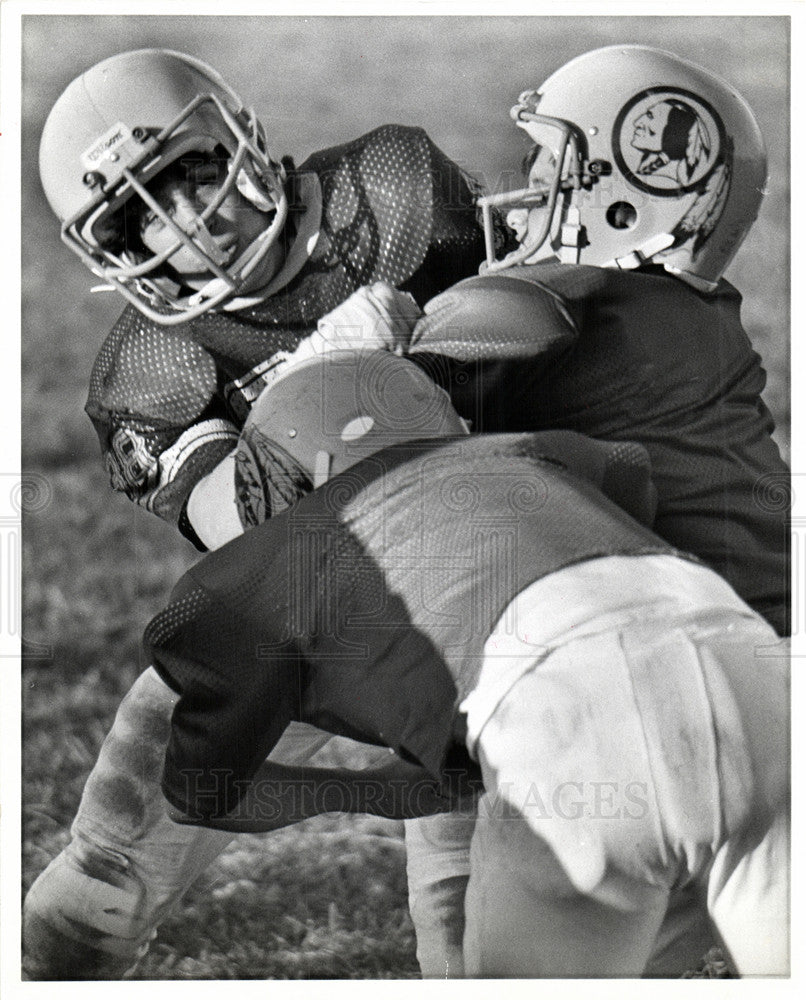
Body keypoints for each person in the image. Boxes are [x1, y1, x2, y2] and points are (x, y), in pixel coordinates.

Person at [23, 47, 495, 979]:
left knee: (479, 922)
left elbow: (546, 332)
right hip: (304, 599)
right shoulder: (151, 366)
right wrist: (335, 372)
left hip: (481, 568)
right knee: (98, 884)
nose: (183, 228)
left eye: (189, 178)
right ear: (107, 253)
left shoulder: (391, 191)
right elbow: (238, 522)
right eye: (135, 219)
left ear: (237, 135)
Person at [144, 347, 788, 978]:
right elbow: (628, 472)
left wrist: (362, 791)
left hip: (568, 726)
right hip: (754, 669)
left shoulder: (253, 577)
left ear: (283, 472)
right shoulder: (547, 453)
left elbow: (201, 793)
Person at [366, 44, 788, 978]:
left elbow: (394, 428)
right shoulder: (686, 309)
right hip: (752, 676)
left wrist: (362, 352)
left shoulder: (576, 305)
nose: (532, 189)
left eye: (555, 164)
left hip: (656, 706)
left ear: (641, 177)